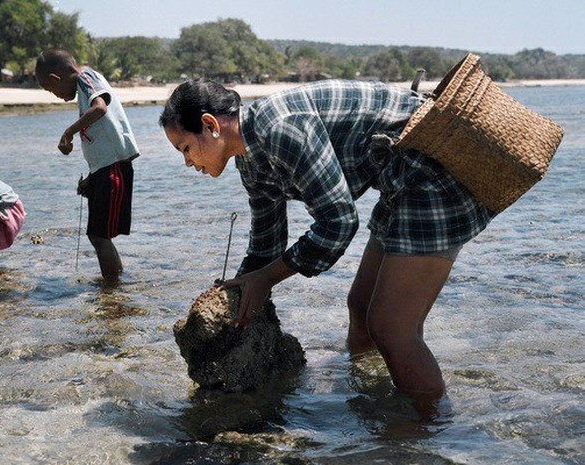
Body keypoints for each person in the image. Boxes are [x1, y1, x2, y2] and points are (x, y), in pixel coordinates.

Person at [159, 79, 495, 412]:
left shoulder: (280, 129)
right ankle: (367, 396)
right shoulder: (251, 160)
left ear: (210, 125)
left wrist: (265, 279)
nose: (188, 162)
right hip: (400, 184)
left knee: (391, 328)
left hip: (435, 174)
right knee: (361, 310)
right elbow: (265, 245)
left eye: (185, 148)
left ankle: (424, 429)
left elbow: (338, 223)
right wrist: (238, 292)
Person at [35, 49, 140, 285]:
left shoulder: (85, 78)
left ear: (55, 78)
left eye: (51, 90)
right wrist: (92, 178)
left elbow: (101, 108)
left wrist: (68, 132)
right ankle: (115, 284)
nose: (56, 95)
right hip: (106, 169)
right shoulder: (85, 84)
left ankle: (111, 291)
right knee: (99, 237)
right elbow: (102, 136)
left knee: (99, 236)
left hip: (114, 169)